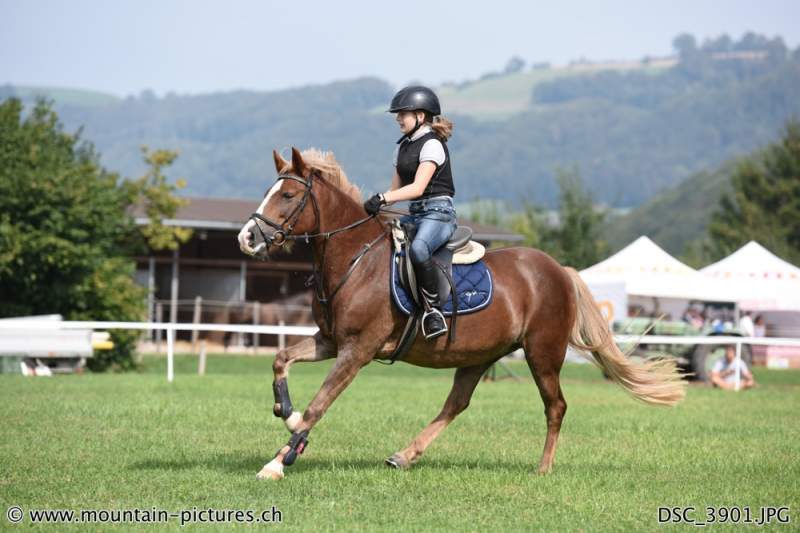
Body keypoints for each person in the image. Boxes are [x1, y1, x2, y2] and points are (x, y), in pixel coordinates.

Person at [363, 86, 457, 340]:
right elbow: (396, 190)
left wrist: (384, 198)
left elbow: (417, 188)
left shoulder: (433, 145)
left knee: (418, 250)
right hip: (414, 214)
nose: (397, 119)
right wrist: (376, 204)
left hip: (439, 214)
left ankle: (433, 311)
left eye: (402, 114)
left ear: (420, 116)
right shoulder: (402, 147)